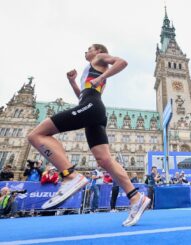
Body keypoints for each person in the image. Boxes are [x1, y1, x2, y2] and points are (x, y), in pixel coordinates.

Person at [27, 44, 150, 226]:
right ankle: (136, 197)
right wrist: (73, 82)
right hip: (92, 108)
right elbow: (82, 97)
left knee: (36, 135)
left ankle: (70, 175)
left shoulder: (99, 59)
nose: (86, 51)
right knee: (104, 160)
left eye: (89, 48)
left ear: (97, 51)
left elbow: (122, 62)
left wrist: (101, 76)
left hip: (93, 106)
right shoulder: (89, 69)